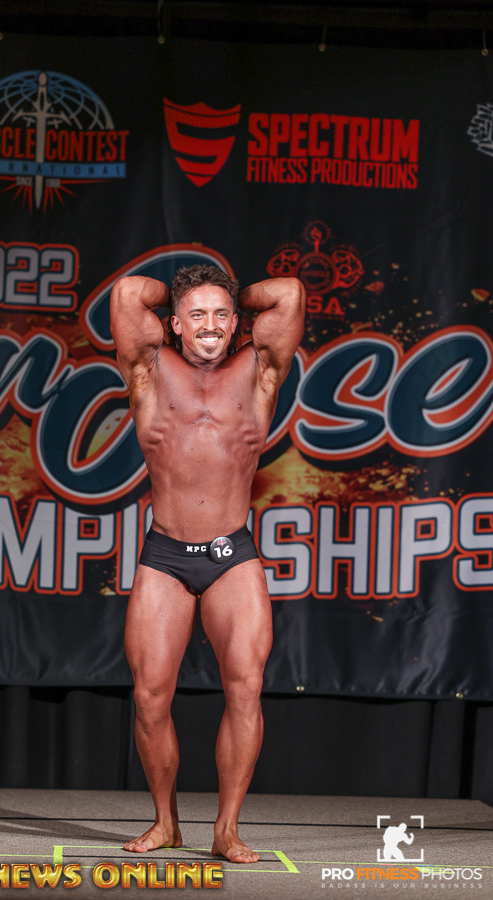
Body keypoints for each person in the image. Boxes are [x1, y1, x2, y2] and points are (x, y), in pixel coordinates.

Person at [109, 264, 305, 864]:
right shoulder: (149, 369)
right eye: (196, 315)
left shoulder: (259, 371)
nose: (211, 325)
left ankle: (227, 829)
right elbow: (128, 293)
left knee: (246, 688)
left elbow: (288, 293)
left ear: (238, 321)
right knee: (150, 698)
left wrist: (228, 293)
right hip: (166, 556)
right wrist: (188, 292)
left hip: (231, 556)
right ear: (174, 324)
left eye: (222, 315)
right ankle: (165, 822)